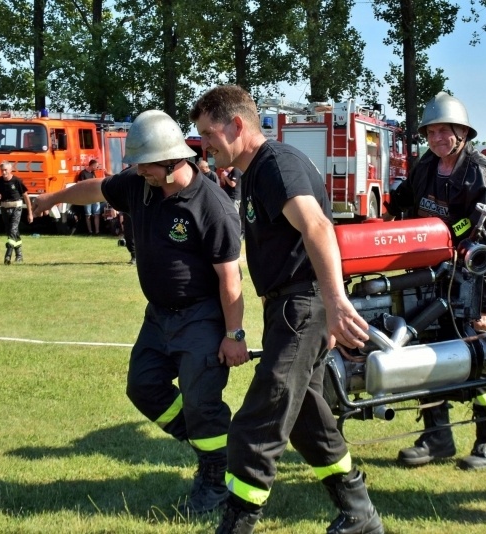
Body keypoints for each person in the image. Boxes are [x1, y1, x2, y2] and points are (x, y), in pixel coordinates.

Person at [30, 110, 247, 516]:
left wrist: (234, 335)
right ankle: (217, 445)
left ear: (172, 160)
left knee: (202, 402)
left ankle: (216, 478)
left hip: (201, 317)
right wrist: (55, 197)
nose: (138, 171)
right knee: (143, 387)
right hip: (158, 317)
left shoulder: (211, 205)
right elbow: (97, 189)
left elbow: (230, 280)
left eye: (145, 164)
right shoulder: (140, 185)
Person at [191, 85, 383, 534]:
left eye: (207, 133)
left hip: (303, 306)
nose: (203, 144)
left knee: (260, 417)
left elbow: (317, 225)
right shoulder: (254, 172)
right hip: (291, 308)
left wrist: (334, 305)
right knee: (306, 418)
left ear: (236, 125)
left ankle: (237, 522)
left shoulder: (276, 164)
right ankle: (359, 514)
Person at [385, 92, 486, 470]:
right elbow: (406, 198)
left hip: (472, 283)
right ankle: (436, 435)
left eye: (446, 131)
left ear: (462, 132)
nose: (438, 138)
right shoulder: (427, 165)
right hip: (428, 275)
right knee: (425, 351)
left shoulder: (485, 176)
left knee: (476, 356)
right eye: (432, 131)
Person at [0, 161, 34, 264]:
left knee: (13, 230)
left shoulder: (17, 181)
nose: (4, 172)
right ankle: (19, 255)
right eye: (2, 170)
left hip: (16, 208)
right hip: (5, 208)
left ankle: (8, 255)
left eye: (5, 170)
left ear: (10, 170)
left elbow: (26, 197)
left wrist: (30, 213)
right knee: (11, 232)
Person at [76, 159, 101, 235]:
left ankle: (97, 231)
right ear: (92, 165)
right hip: (87, 197)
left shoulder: (93, 173)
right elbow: (79, 183)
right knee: (88, 215)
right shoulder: (83, 173)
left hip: (95, 196)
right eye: (96, 166)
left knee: (96, 214)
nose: (97, 168)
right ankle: (90, 231)